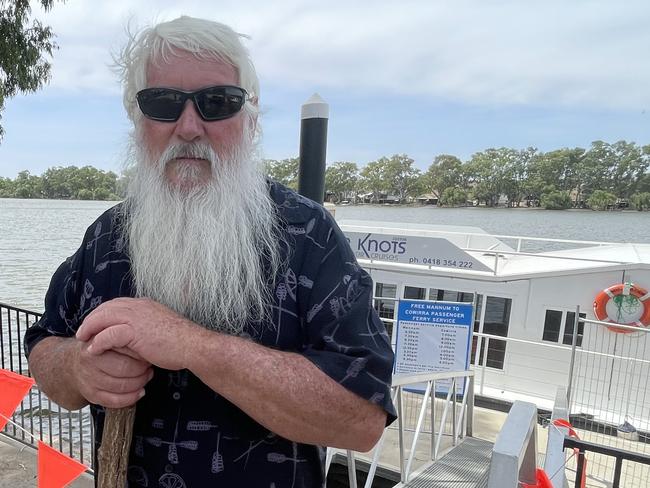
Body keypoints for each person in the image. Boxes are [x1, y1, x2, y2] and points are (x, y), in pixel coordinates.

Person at [24, 15, 396, 488]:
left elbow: (361, 419)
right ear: (139, 122)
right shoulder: (106, 237)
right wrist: (77, 367)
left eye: (217, 102)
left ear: (250, 119)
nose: (189, 126)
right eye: (163, 103)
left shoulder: (309, 235)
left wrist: (192, 346)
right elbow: (43, 345)